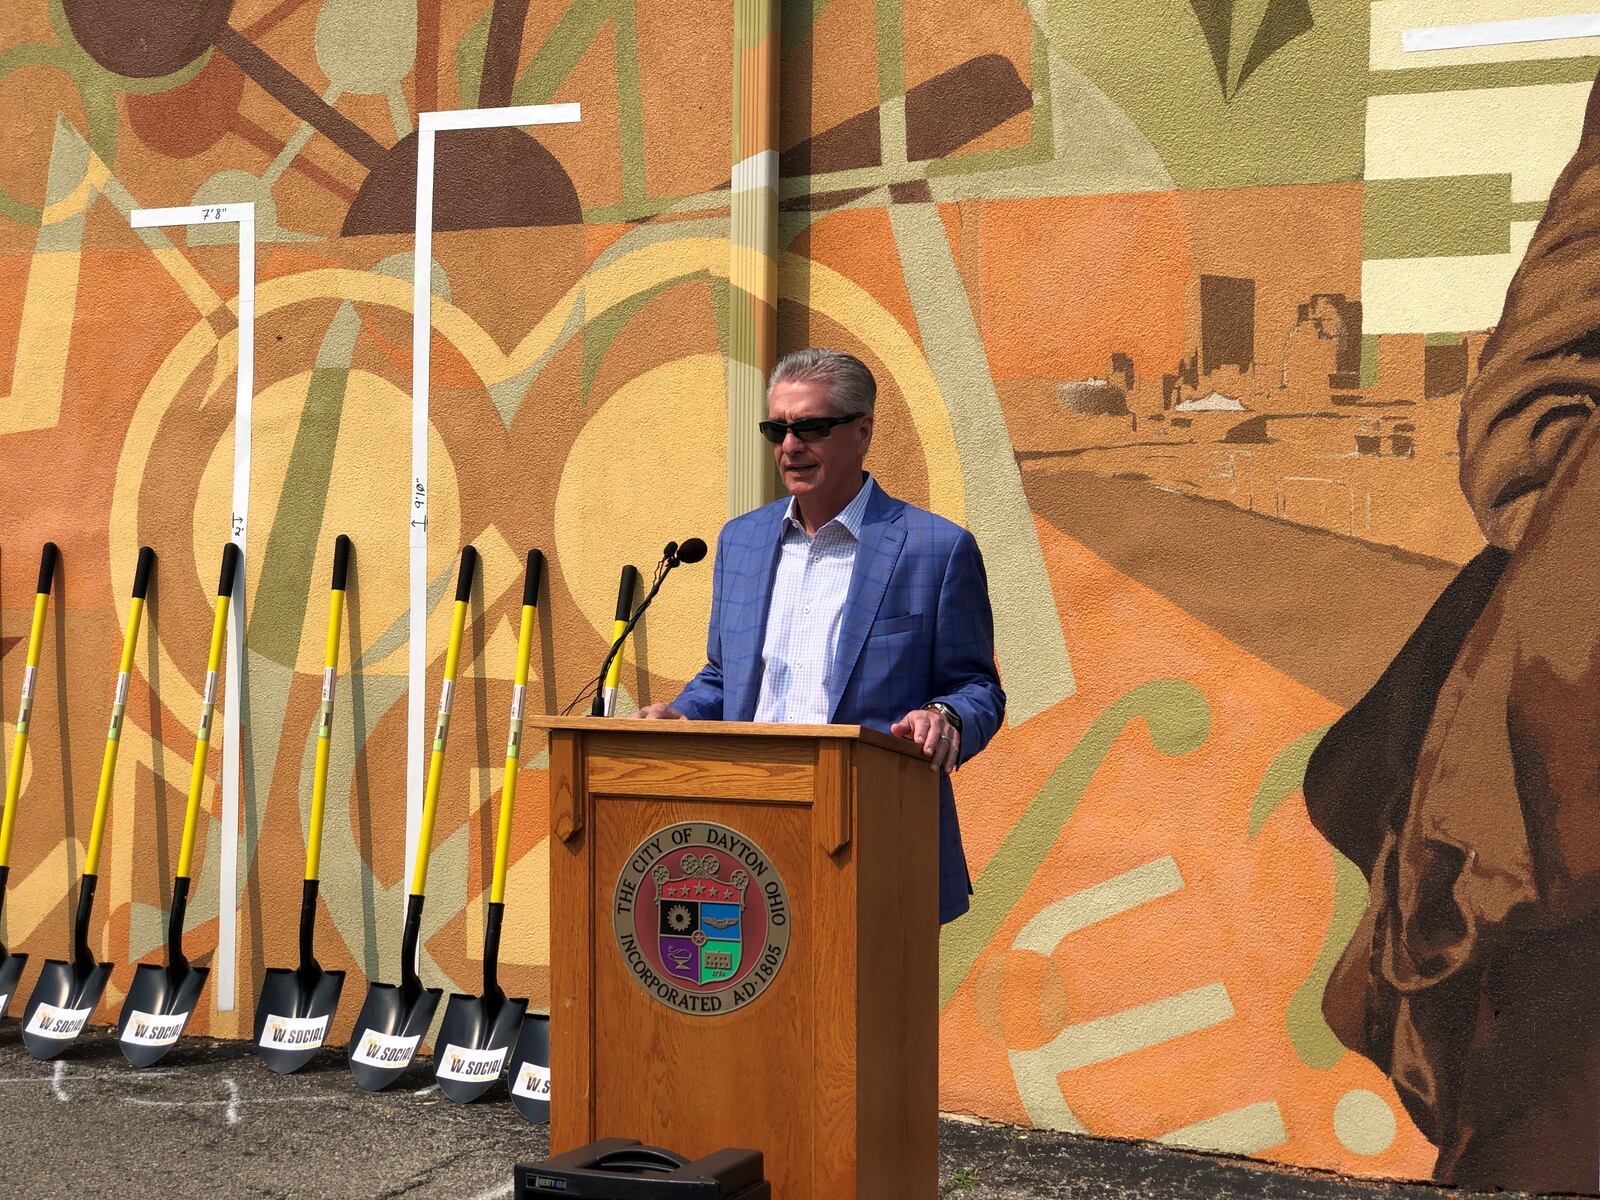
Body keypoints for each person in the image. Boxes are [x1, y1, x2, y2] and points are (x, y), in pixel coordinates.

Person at [634, 348, 1006, 924]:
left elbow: (977, 688)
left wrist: (945, 717)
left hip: (873, 836)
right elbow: (725, 675)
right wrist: (684, 715)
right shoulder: (742, 541)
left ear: (862, 433)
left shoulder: (936, 549)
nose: (789, 446)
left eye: (810, 426)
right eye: (776, 429)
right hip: (743, 833)